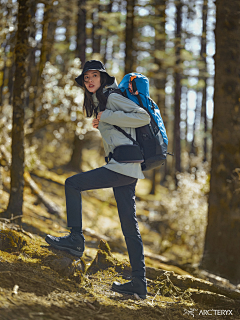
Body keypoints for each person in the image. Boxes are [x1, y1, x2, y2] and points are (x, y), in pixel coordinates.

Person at [45, 60, 150, 299]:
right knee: (129, 227)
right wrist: (103, 120)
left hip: (123, 168)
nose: (90, 80)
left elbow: (142, 117)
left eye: (94, 76)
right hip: (127, 168)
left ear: (103, 78)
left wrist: (109, 116)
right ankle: (139, 283)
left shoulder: (111, 97)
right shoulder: (101, 103)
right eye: (86, 77)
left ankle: (75, 239)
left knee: (72, 184)